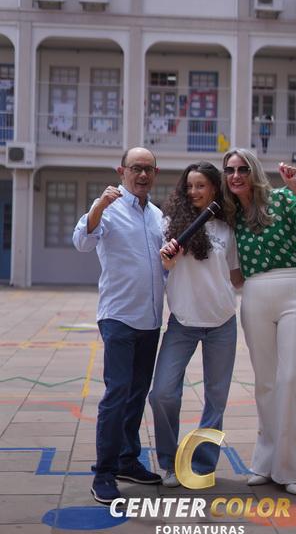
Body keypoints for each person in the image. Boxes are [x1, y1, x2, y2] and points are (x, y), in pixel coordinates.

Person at [221, 148, 296, 496]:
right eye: (230, 170)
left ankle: (289, 467)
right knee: (265, 383)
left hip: (295, 289)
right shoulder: (230, 214)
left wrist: (295, 185)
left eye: (242, 169)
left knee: (289, 378)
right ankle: (264, 463)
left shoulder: (281, 199)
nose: (236, 175)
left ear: (253, 171)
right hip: (255, 294)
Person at [72, 147, 165, 504]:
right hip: (119, 317)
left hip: (151, 320)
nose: (142, 175)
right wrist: (98, 207)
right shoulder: (108, 208)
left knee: (137, 394)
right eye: (135, 168)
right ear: (121, 171)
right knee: (117, 393)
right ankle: (105, 473)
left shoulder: (157, 216)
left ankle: (128, 460)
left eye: (148, 169)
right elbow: (82, 242)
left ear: (155, 173)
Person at [149, 161, 243, 487]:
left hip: (222, 323)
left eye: (200, 185)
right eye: (189, 186)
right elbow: (162, 268)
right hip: (183, 323)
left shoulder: (227, 229)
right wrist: (167, 261)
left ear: (215, 188)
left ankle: (202, 464)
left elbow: (236, 277)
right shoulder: (169, 225)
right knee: (162, 394)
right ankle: (169, 463)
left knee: (216, 400)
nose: (194, 191)